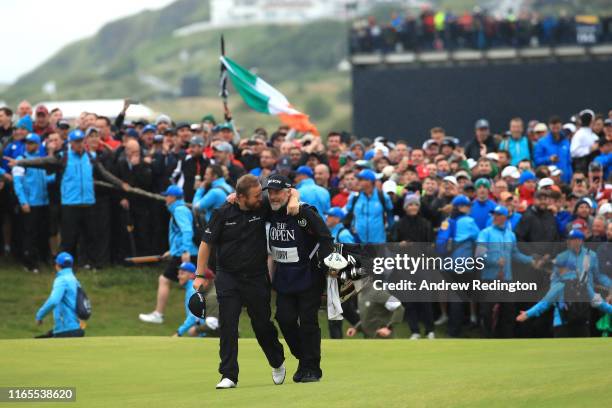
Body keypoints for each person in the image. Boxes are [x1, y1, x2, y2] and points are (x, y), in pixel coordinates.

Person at [192, 174, 299, 389]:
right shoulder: (222, 212)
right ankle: (228, 374)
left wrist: (295, 199)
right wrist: (199, 275)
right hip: (228, 277)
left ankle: (277, 360)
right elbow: (206, 244)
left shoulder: (261, 206)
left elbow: (291, 192)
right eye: (256, 195)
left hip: (256, 277)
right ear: (240, 197)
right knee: (228, 325)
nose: (262, 198)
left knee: (261, 325)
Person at [5, 129, 126, 268]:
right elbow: (42, 161)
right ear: (70, 143)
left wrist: (120, 183)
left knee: (91, 236)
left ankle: (91, 264)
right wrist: (21, 162)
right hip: (70, 204)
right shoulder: (63, 157)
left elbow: (104, 174)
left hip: (88, 203)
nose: (79, 144)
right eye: (76, 142)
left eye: (81, 141)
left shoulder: (91, 157)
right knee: (68, 239)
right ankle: (63, 265)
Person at [264, 174, 334, 382]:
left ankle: (312, 368)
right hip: (284, 277)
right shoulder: (270, 210)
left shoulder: (305, 212)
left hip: (309, 275)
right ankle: (305, 359)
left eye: (278, 192)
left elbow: (325, 237)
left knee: (308, 322)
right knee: (284, 319)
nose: (273, 197)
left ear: (287, 192)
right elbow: (249, 202)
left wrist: (328, 267)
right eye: (271, 193)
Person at [516, 229, 612, 337]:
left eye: (574, 239)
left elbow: (598, 281)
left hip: (580, 314)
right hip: (564, 318)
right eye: (570, 240)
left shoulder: (590, 256)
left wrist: (528, 314)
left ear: (581, 241)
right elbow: (547, 299)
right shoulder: (561, 260)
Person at [139, 185, 199, 324]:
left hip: (186, 254)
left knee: (165, 280)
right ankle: (197, 318)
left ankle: (158, 314)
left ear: (172, 197)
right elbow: (178, 234)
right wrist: (171, 251)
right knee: (193, 285)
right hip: (185, 252)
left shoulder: (179, 210)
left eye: (167, 196)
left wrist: (184, 251)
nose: (165, 198)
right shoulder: (180, 209)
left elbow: (187, 231)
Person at [475, 205, 537, 338]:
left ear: (505, 217)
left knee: (508, 312)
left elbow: (515, 254)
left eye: (498, 215)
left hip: (507, 280)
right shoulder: (485, 233)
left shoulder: (511, 235)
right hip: (490, 278)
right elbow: (479, 255)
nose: (495, 217)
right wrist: (493, 261)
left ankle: (506, 339)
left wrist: (530, 260)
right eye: (494, 215)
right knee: (487, 312)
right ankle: (487, 338)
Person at [393, 193, 435, 339]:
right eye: (410, 204)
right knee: (410, 300)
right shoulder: (399, 224)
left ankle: (430, 330)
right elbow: (392, 244)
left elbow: (431, 245)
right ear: (405, 207)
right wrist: (400, 245)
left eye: (415, 204)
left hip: (422, 265)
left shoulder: (426, 224)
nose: (413, 207)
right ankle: (415, 331)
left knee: (425, 299)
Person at [12, 134, 54, 273]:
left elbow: (44, 179)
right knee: (29, 234)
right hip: (30, 203)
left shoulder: (40, 160)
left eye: (31, 143)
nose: (28, 145)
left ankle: (41, 259)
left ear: (37, 144)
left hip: (43, 202)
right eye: (27, 143)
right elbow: (17, 183)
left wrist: (57, 176)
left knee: (42, 233)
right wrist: (23, 201)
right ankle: (28, 263)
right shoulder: (20, 160)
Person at [35, 252, 85, 338]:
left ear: (57, 265)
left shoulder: (61, 279)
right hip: (77, 327)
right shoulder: (75, 280)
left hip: (66, 329)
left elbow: (54, 301)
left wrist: (39, 315)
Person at [345, 169, 394, 244]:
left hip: (378, 241)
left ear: (369, 181)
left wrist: (391, 233)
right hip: (358, 240)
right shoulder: (354, 197)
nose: (358, 181)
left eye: (361, 179)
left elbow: (390, 215)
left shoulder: (383, 197)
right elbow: (348, 214)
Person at [534, 116, 573, 184]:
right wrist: (549, 159)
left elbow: (568, 162)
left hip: (565, 181)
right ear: (549, 126)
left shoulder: (566, 142)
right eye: (553, 127)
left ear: (561, 126)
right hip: (549, 181)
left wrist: (570, 177)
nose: (556, 129)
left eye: (557, 127)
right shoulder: (542, 142)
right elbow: (537, 161)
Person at [173, 262, 207, 337]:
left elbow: (193, 316)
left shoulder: (192, 290)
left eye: (182, 273)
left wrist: (179, 332)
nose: (178, 276)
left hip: (202, 336)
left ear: (192, 275)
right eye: (178, 273)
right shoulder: (191, 289)